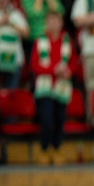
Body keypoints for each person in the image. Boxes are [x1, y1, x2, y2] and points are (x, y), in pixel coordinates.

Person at [30, 10, 78, 166]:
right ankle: (44, 149)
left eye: (56, 21)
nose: (53, 24)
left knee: (60, 119)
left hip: (62, 87)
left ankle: (56, 149)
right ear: (46, 24)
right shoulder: (40, 41)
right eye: (50, 21)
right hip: (45, 87)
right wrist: (53, 70)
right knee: (46, 118)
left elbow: (73, 62)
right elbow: (34, 65)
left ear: (61, 23)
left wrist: (69, 71)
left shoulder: (67, 41)